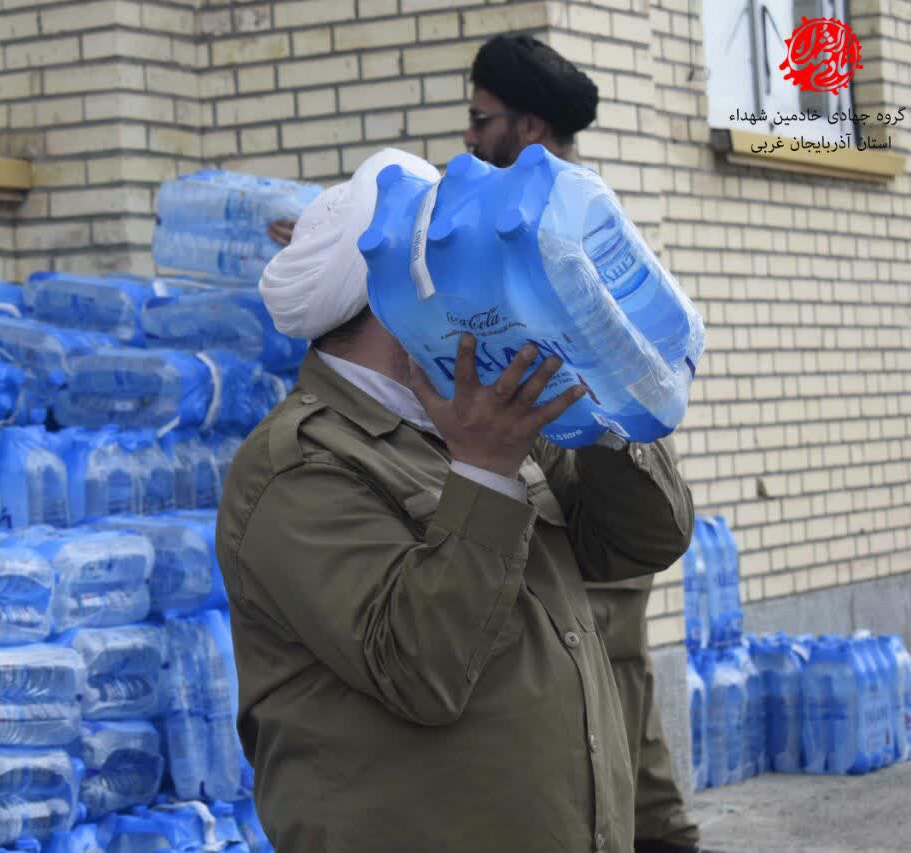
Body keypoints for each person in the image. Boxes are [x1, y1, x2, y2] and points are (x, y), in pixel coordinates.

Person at [262, 34, 702, 853]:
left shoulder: (485, 412)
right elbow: (420, 668)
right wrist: (486, 470)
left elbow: (645, 539)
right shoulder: (299, 466)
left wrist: (598, 399)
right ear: (389, 299)